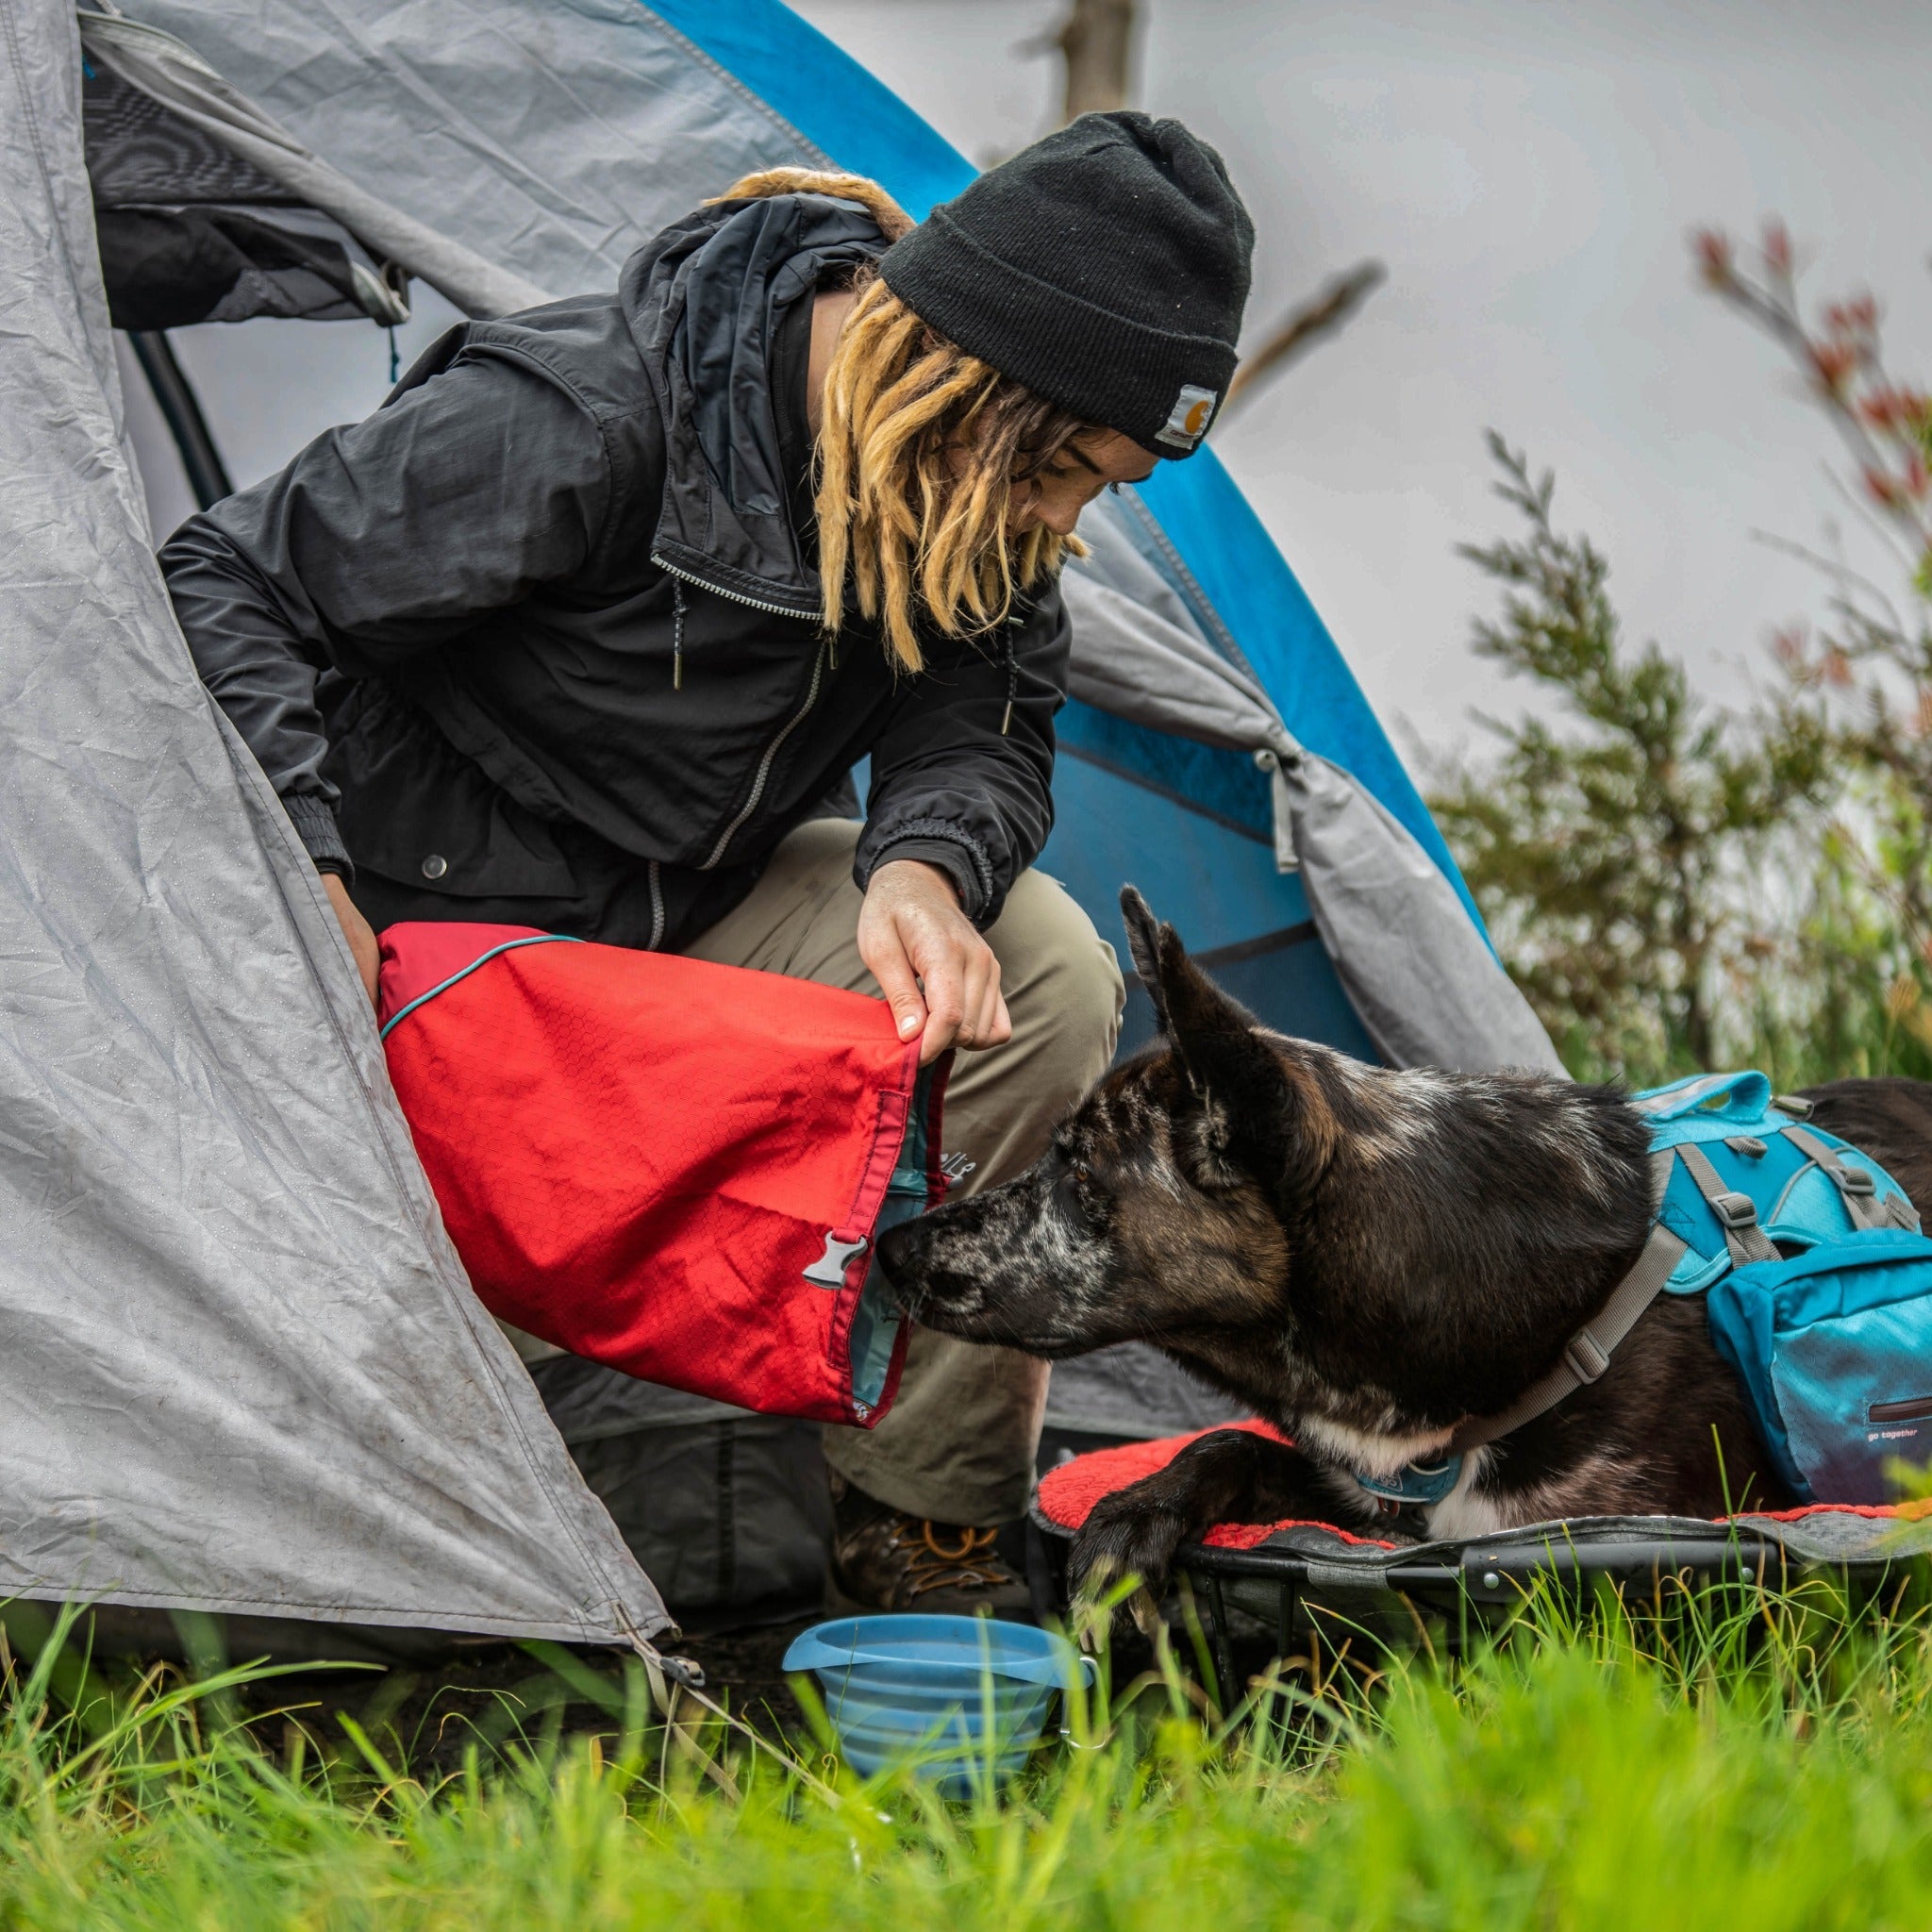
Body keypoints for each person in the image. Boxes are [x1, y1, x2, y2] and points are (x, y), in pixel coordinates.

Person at [161, 110, 1255, 1615]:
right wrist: (312, 897)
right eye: (1060, 467)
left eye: (1103, 488)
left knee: (1048, 970)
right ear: (955, 376)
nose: (1063, 521)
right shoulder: (594, 412)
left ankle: (918, 1528)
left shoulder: (973, 503)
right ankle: (345, 1548)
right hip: (427, 927)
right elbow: (226, 579)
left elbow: (985, 718)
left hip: (681, 907)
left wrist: (923, 867)